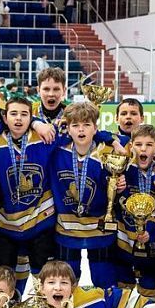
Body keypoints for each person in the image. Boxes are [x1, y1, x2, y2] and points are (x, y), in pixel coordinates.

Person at [0, 96, 58, 293]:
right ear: (5, 117)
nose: (18, 119)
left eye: (24, 114)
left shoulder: (44, 137)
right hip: (6, 224)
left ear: (31, 117)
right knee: (5, 278)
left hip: (40, 221)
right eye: (13, 114)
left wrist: (110, 140)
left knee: (43, 276)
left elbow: (82, 134)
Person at [49, 102, 119, 288]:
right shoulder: (56, 151)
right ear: (68, 128)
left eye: (87, 125)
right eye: (75, 125)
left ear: (95, 128)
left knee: (104, 279)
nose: (81, 129)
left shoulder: (108, 154)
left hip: (100, 229)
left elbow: (128, 141)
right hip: (66, 229)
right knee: (66, 280)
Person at [114, 124, 155, 302]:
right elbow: (112, 202)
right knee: (123, 296)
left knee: (150, 296)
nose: (143, 149)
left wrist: (151, 231)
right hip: (125, 243)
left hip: (154, 247)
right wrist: (116, 189)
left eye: (149, 145)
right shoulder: (122, 169)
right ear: (131, 146)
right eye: (138, 144)